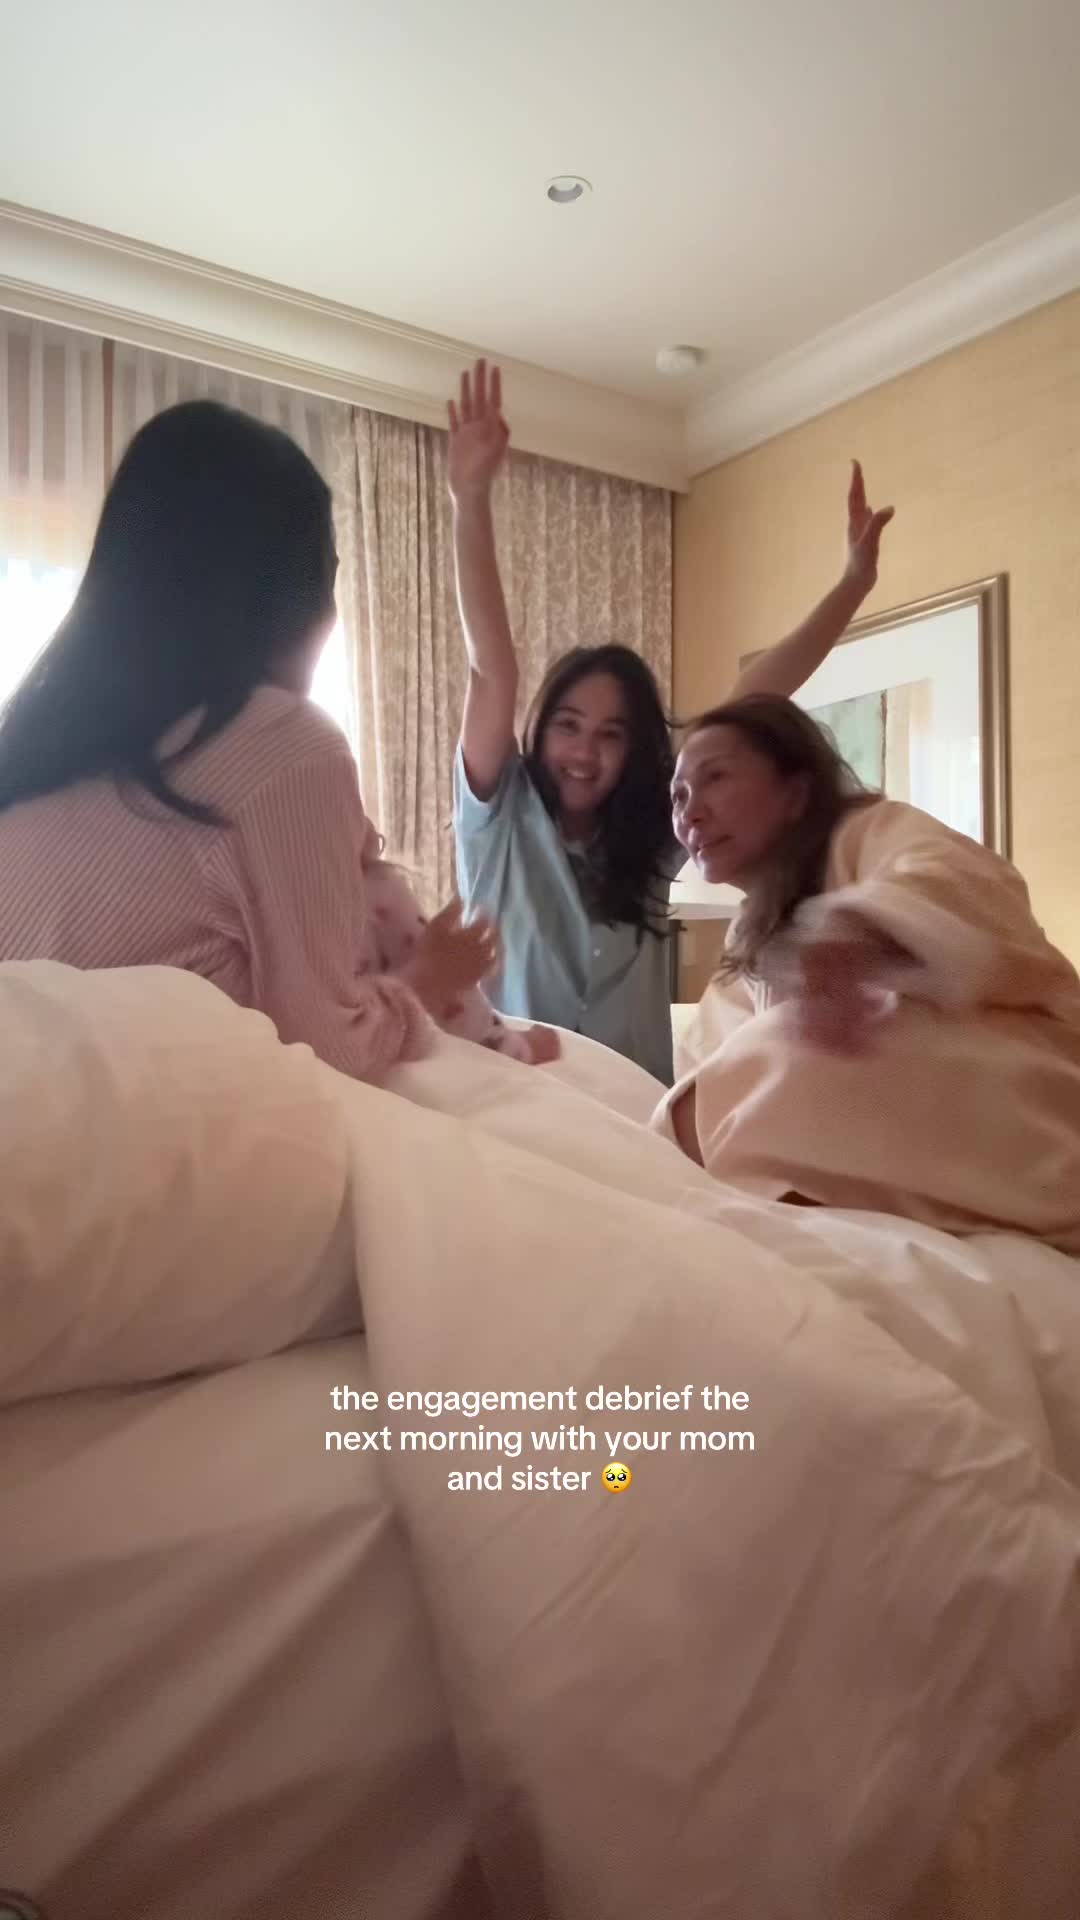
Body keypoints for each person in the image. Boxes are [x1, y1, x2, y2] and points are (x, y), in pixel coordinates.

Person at [0, 399, 558, 1079]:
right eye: (330, 578)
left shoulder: (45, 750)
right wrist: (429, 974)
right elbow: (328, 1049)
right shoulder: (282, 745)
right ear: (299, 599)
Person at [448, 359, 894, 1084]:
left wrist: (851, 586)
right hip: (518, 1109)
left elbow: (753, 701)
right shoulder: (497, 820)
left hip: (636, 1116)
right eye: (569, 725)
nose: (585, 752)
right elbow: (490, 667)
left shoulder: (655, 834)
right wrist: (469, 497)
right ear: (541, 728)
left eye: (612, 734)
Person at [657, 694, 1080, 1253]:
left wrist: (860, 931)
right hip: (895, 1136)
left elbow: (965, 882)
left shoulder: (871, 830)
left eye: (714, 778)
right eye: (679, 796)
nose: (690, 813)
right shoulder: (745, 942)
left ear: (794, 794)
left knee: (786, 1054)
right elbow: (707, 1082)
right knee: (694, 1111)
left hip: (1029, 1104)